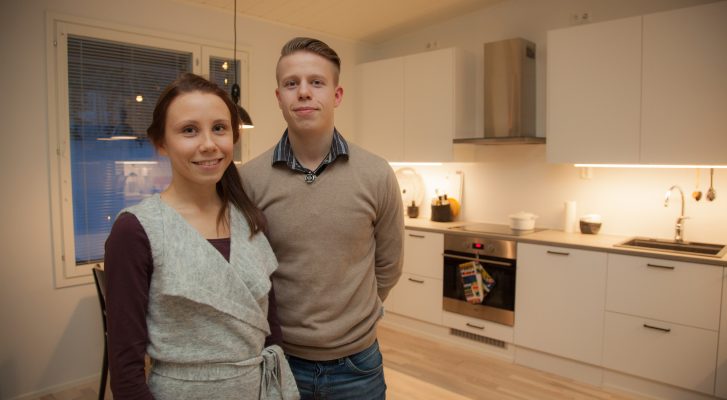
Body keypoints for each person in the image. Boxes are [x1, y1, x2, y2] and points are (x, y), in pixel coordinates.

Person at [104, 73, 298, 400]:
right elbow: (125, 371)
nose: (209, 144)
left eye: (219, 128)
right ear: (161, 143)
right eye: (189, 130)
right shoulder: (136, 230)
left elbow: (270, 329)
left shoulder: (251, 220)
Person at [239, 37, 404, 399]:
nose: (303, 92)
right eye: (291, 83)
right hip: (281, 360)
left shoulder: (377, 174)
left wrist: (352, 318)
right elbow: (247, 271)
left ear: (337, 95)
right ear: (278, 96)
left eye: (316, 82)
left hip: (357, 366)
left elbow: (389, 264)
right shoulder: (249, 180)